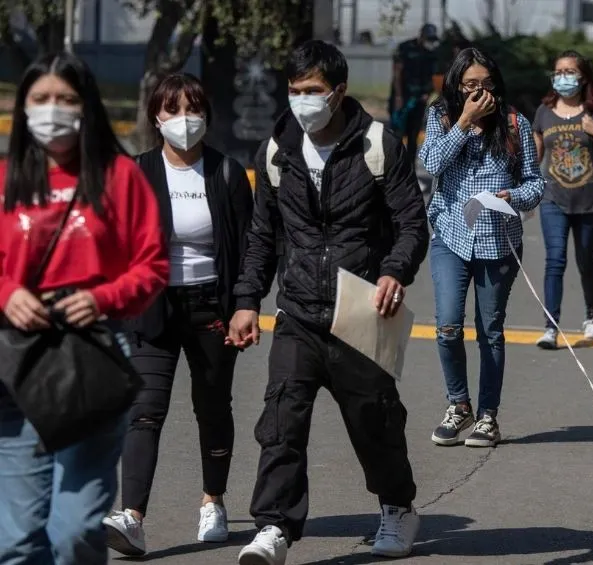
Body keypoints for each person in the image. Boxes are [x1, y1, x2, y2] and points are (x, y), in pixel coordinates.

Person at [228, 41, 430, 565]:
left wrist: (393, 271)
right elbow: (261, 233)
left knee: (375, 421)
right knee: (281, 424)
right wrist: (247, 299)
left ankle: (398, 507)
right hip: (297, 311)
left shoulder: (377, 144)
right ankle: (273, 527)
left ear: (338, 91)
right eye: (294, 91)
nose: (301, 101)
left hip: (361, 308)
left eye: (312, 91)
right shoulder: (276, 150)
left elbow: (411, 222)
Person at [0, 52, 168, 565]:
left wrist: (101, 297)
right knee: (15, 542)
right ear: (23, 108)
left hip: (92, 356)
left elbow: (153, 266)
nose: (54, 110)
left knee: (72, 535)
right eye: (42, 99)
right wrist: (7, 291)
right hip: (17, 361)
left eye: (66, 100)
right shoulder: (8, 179)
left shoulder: (119, 178)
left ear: (86, 107)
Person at [102, 73, 254, 556]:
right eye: (173, 110)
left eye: (193, 110)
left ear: (206, 116)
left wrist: (244, 305)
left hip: (212, 306)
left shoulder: (227, 173)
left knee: (212, 408)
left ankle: (214, 501)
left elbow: (251, 248)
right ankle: (133, 516)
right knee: (144, 411)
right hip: (152, 309)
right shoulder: (134, 172)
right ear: (156, 117)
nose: (184, 120)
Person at [420, 47, 544, 447]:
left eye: (486, 85)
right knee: (447, 326)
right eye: (471, 85)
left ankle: (488, 416)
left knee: (490, 331)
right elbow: (431, 164)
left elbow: (534, 182)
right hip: (451, 237)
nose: (479, 92)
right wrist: (464, 121)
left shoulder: (514, 123)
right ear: (457, 86)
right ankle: (459, 406)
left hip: (499, 241)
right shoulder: (440, 117)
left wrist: (514, 198)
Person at [532, 49, 593, 348]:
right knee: (554, 261)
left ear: (583, 77)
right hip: (553, 199)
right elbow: (534, 157)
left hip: (589, 199)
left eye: (569, 72)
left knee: (586, 261)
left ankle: (592, 315)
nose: (563, 77)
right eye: (558, 72)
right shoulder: (544, 111)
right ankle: (550, 326)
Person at [390, 23, 440, 166]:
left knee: (413, 135)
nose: (429, 42)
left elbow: (433, 77)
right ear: (421, 35)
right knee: (398, 133)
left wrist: (428, 94)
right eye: (428, 38)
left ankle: (410, 169)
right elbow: (397, 73)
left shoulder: (431, 54)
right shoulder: (405, 48)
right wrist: (398, 97)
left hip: (420, 99)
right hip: (403, 98)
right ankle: (394, 166)